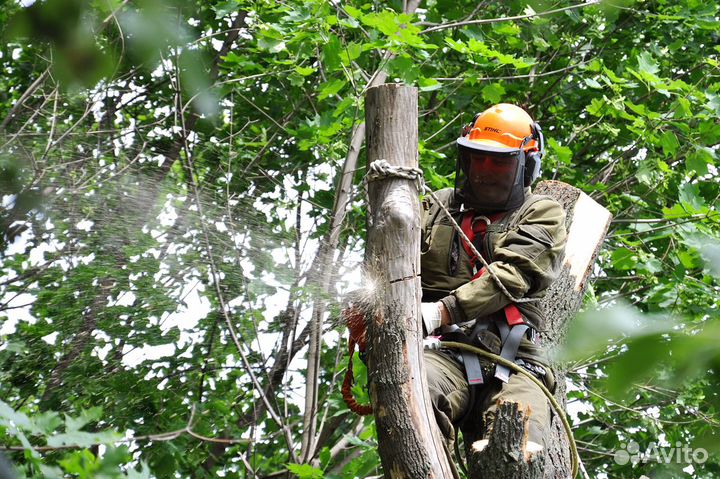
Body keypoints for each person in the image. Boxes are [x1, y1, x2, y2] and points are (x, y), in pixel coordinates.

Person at [419, 103, 567, 456]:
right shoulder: (434, 207)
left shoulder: (542, 213)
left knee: (519, 440)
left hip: (516, 359)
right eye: (478, 158)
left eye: (500, 161)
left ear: (526, 165)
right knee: (412, 392)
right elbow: (392, 264)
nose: (485, 170)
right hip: (443, 352)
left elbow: (512, 275)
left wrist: (440, 312)